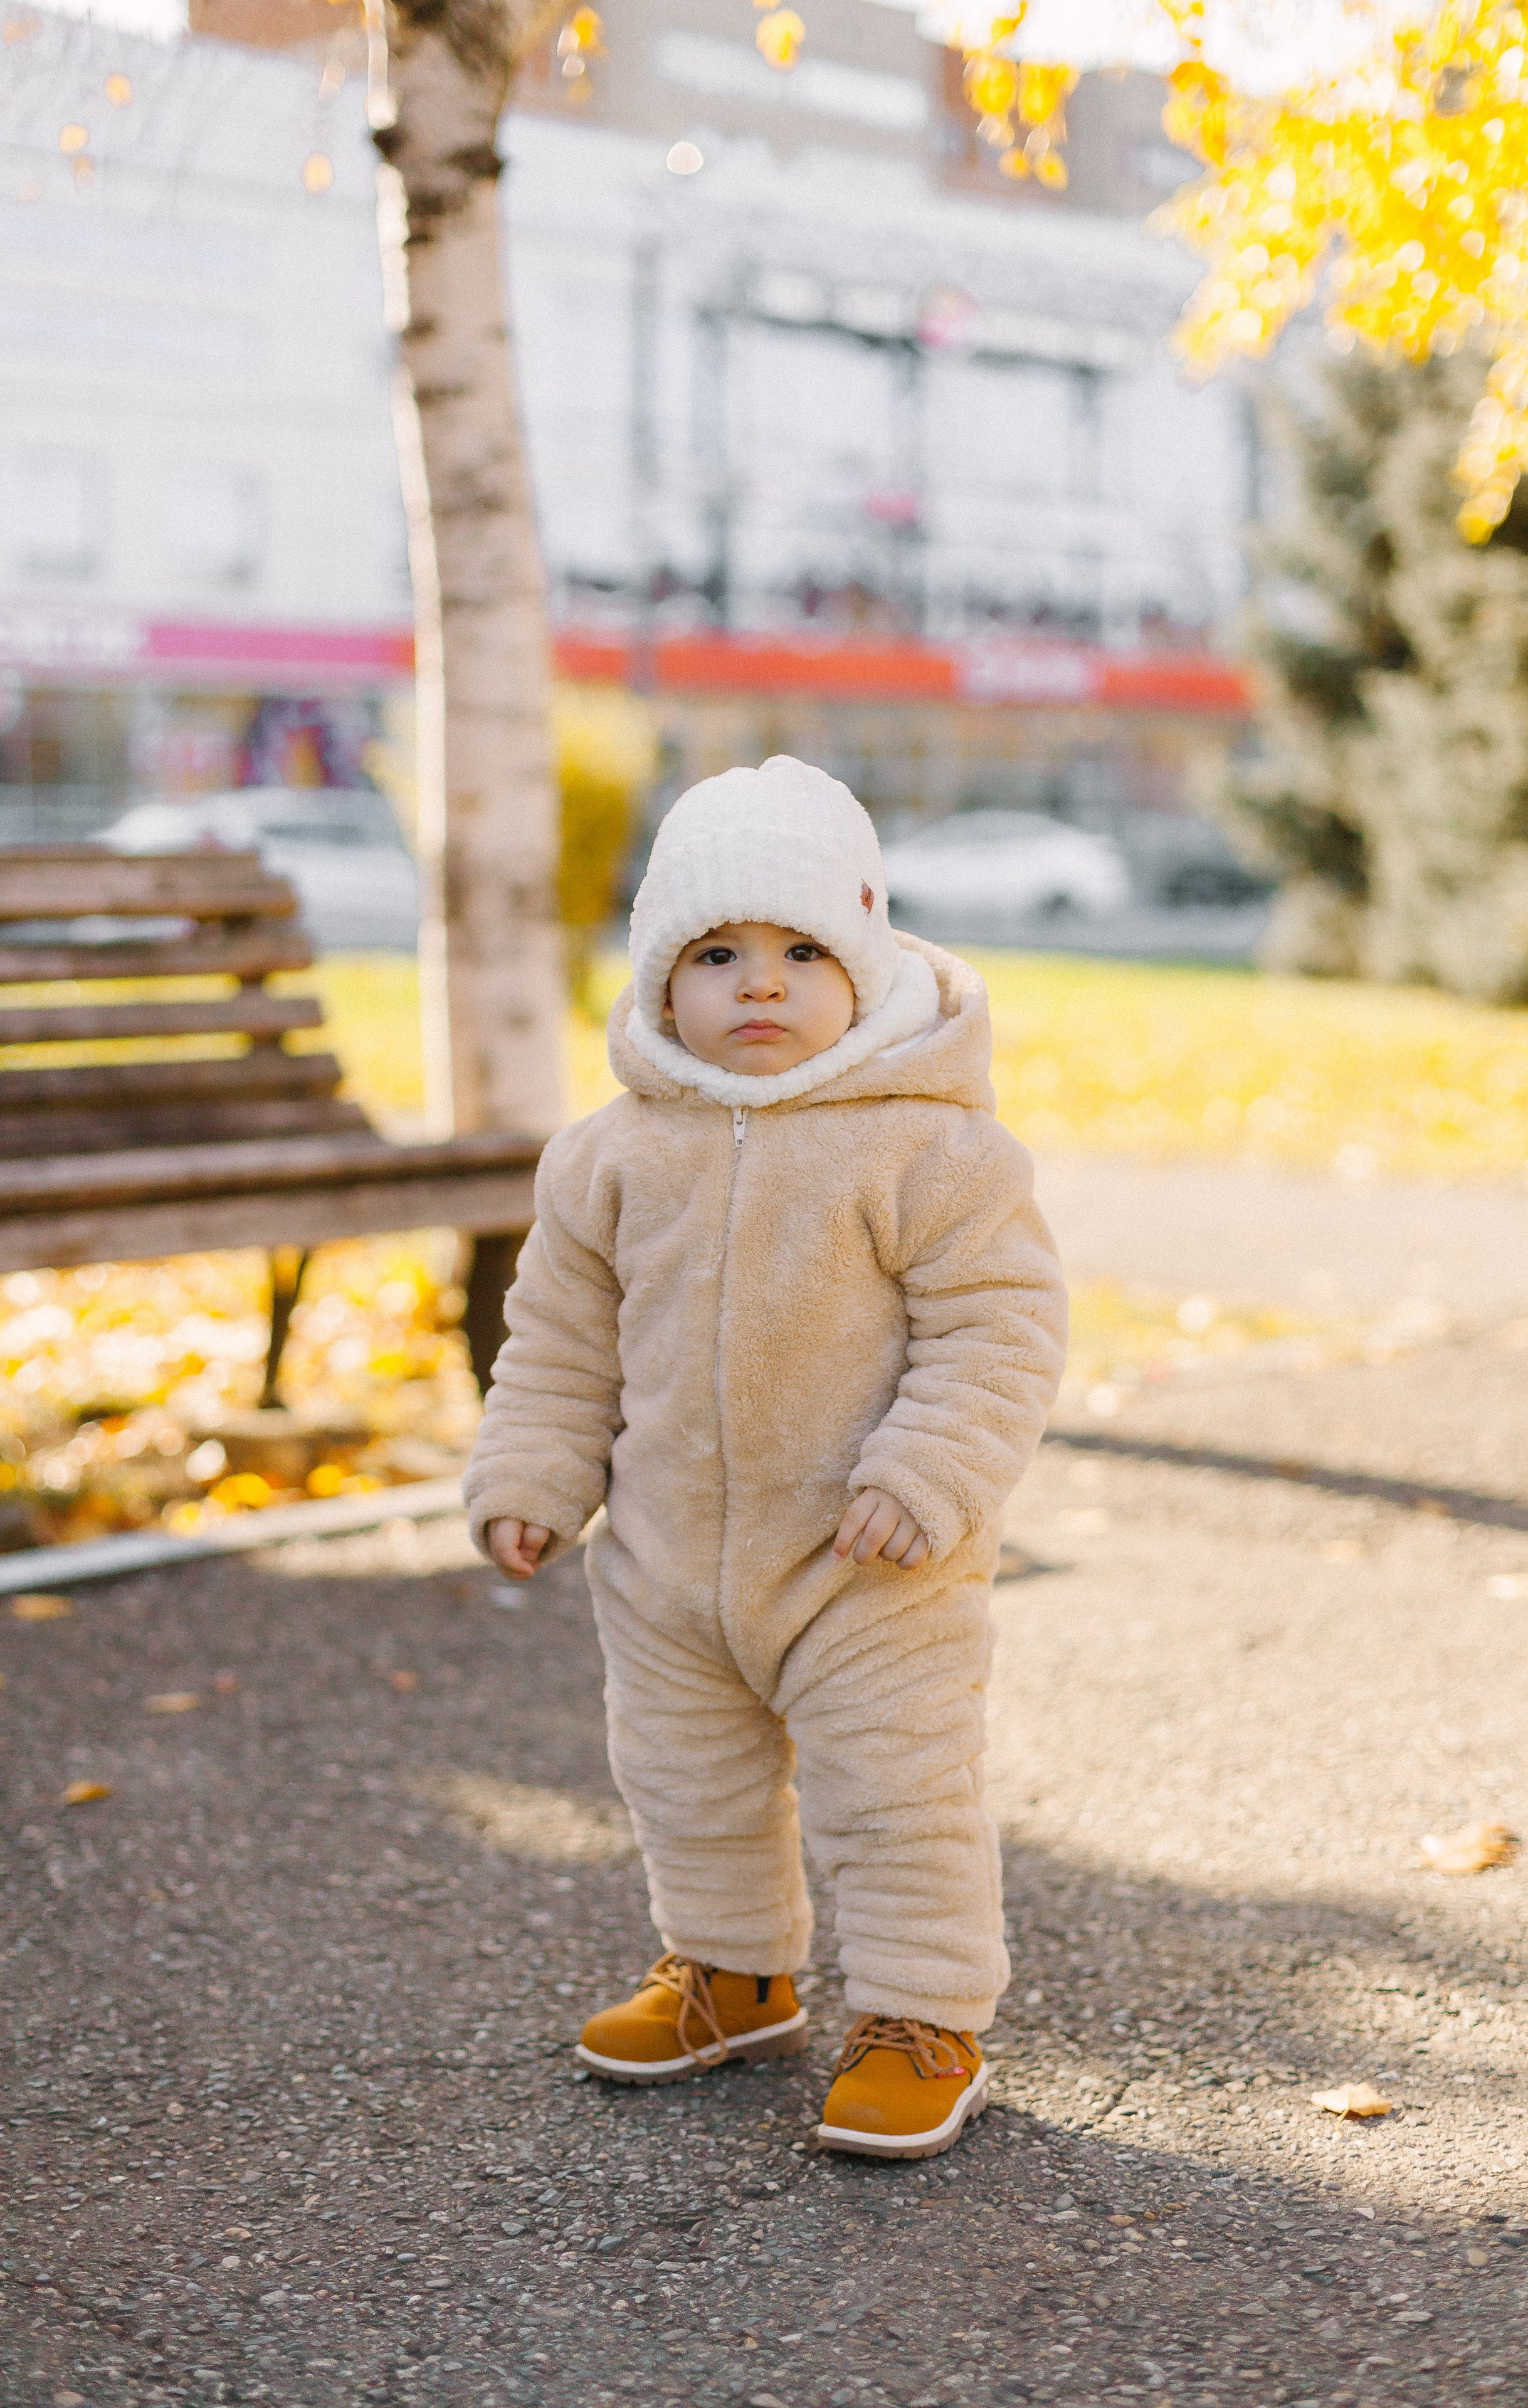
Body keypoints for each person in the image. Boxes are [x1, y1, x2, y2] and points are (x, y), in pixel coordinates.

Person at [462, 757, 1067, 2160]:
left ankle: (922, 2016)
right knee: (685, 1779)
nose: (758, 984)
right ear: (658, 978)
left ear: (863, 968)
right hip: (668, 1561)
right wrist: (532, 1477)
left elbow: (998, 1328)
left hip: (872, 1560)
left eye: (802, 952)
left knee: (894, 1792)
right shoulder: (610, 1156)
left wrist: (922, 1474)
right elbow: (557, 1340)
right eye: (715, 954)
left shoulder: (931, 1153)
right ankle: (730, 1974)